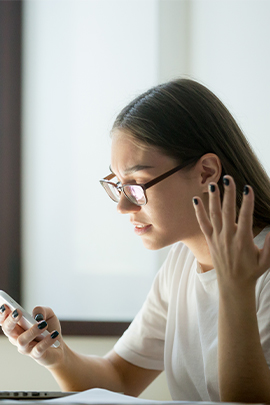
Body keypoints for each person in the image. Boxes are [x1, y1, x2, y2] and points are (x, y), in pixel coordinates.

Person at [1, 78, 270, 403]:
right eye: (118, 184)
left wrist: (234, 289)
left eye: (137, 184)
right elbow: (120, 377)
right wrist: (57, 355)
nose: (122, 205)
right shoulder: (181, 263)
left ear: (206, 172)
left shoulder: (263, 267)